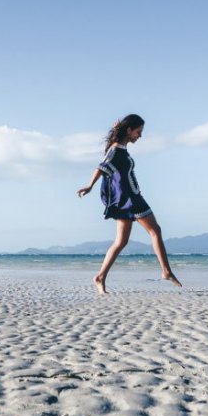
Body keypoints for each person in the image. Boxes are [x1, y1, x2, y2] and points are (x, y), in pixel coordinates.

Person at [77, 114, 182, 294]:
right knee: (155, 230)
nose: (140, 136)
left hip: (127, 197)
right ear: (129, 130)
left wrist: (116, 130)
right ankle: (166, 271)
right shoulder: (115, 150)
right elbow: (101, 167)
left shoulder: (121, 148)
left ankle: (100, 277)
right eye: (138, 132)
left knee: (121, 242)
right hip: (130, 198)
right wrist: (90, 185)